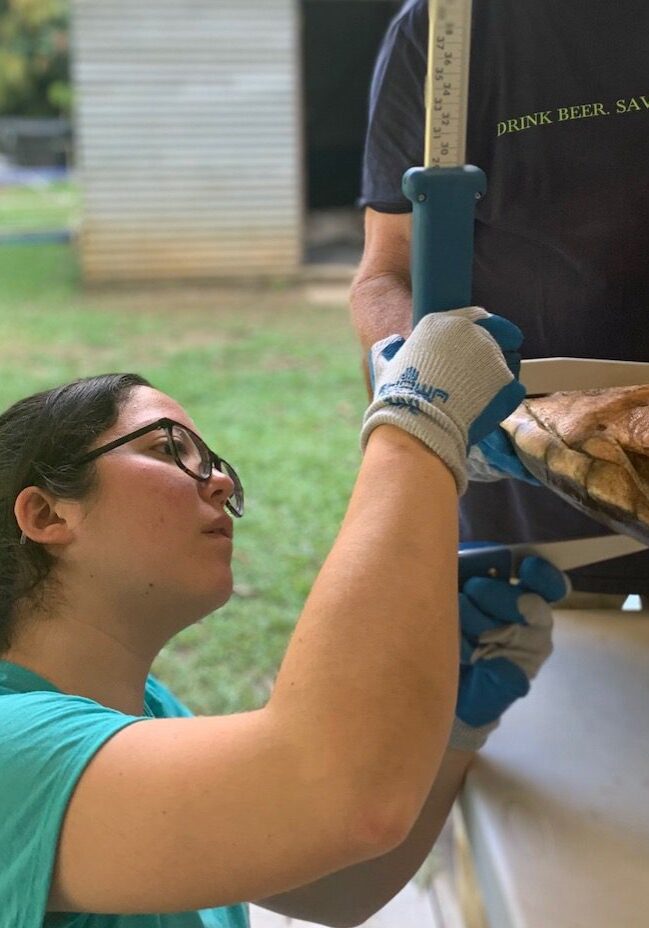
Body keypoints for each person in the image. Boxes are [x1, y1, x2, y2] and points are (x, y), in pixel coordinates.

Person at [0, 310, 567, 928]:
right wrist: (417, 425)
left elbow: (330, 887)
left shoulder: (145, 710)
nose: (217, 480)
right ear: (47, 516)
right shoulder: (13, 748)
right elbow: (332, 795)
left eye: (214, 461)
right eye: (168, 450)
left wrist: (454, 726)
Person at [351, 0, 649, 603]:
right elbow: (385, 273)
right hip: (534, 495)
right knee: (564, 685)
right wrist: (420, 386)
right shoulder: (444, 28)